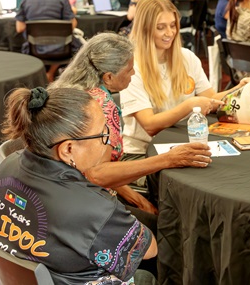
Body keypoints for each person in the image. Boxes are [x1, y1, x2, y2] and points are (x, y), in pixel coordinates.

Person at [0, 86, 157, 285]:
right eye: (102, 134)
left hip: (18, 278)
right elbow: (149, 249)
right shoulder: (93, 208)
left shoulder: (7, 166)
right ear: (68, 149)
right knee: (147, 276)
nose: (108, 140)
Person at [52, 33, 213, 223]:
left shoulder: (69, 91)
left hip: (57, 193)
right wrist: (168, 159)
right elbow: (97, 174)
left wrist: (136, 199)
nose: (134, 73)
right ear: (108, 77)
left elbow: (93, 168)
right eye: (129, 70)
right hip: (80, 205)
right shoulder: (100, 107)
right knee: (165, 226)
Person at [120, 0, 250, 154]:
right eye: (160, 27)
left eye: (173, 25)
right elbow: (150, 125)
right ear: (145, 29)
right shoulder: (132, 67)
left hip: (182, 145)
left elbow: (211, 99)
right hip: (142, 153)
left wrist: (239, 89)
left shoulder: (187, 57)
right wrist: (190, 105)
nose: (170, 33)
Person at [16, 0, 78, 80]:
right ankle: (51, 73)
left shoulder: (26, 1)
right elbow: (72, 25)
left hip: (35, 49)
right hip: (62, 49)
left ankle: (44, 73)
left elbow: (19, 28)